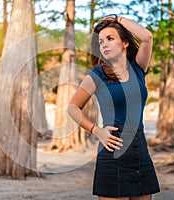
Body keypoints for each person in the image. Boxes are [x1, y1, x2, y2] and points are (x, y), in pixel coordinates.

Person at [67, 14, 160, 200]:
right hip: (112, 151)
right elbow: (72, 107)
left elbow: (147, 37)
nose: (104, 45)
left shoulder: (138, 69)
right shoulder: (98, 74)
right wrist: (97, 131)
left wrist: (118, 19)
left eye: (110, 39)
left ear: (125, 43)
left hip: (140, 151)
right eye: (101, 42)